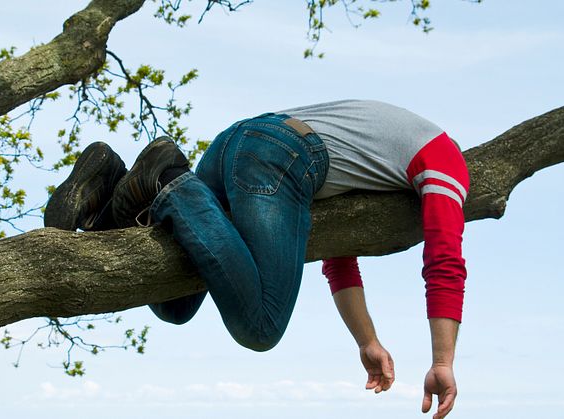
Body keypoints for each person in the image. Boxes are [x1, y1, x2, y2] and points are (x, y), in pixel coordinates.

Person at [44, 99, 469, 419]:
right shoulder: (446, 163)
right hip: (279, 155)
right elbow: (444, 261)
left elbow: (337, 256)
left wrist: (367, 342)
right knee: (261, 326)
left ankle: (107, 191)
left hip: (239, 142)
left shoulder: (376, 153)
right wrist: (442, 363)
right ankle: (172, 180)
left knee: (175, 304)